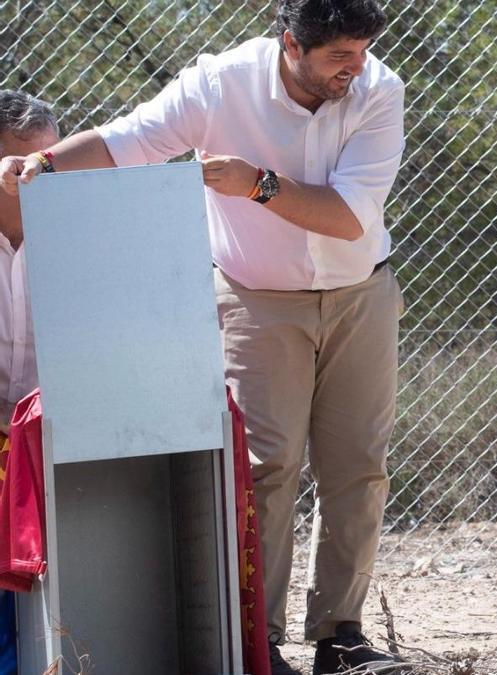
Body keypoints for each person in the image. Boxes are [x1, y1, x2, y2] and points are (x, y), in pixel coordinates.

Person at [0, 2, 407, 673]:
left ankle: (342, 633)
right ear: (291, 45)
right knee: (264, 465)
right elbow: (126, 141)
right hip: (254, 295)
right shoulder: (219, 84)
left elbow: (349, 217)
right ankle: (261, 639)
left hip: (360, 289)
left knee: (357, 465)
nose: (354, 67)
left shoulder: (378, 89)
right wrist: (43, 163)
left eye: (362, 50)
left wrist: (258, 185)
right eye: (340, 54)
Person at [0, 89, 59, 675]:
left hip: (54, 439)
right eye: (20, 162)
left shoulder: (82, 234)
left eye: (49, 159)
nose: (36, 175)